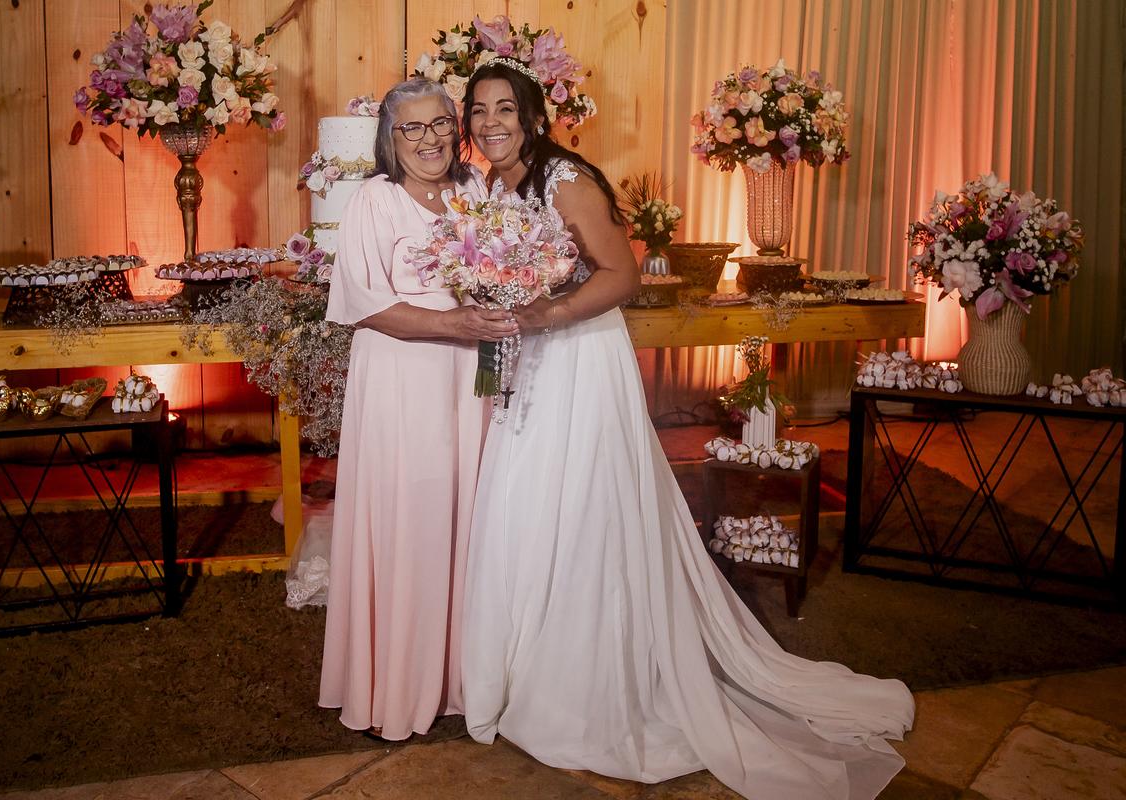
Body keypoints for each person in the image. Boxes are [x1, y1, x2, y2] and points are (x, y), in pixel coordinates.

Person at [459, 60, 915, 800]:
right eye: (478, 110)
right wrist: (494, 328)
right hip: (527, 359)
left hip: (577, 357)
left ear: (535, 116)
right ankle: (519, 664)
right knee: (526, 504)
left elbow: (620, 275)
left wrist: (543, 315)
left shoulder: (564, 179)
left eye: (504, 108)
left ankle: (587, 695)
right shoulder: (488, 186)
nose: (490, 123)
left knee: (582, 513)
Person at [320, 77, 517, 741]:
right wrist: (455, 325)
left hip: (470, 381)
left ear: (455, 127)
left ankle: (463, 680)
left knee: (470, 518)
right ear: (391, 138)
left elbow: (507, 269)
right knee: (412, 520)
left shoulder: (477, 192)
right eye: (413, 128)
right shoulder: (374, 201)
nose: (429, 138)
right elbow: (365, 303)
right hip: (401, 385)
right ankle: (397, 686)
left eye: (440, 124)